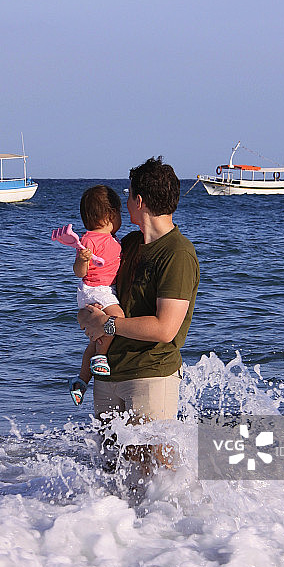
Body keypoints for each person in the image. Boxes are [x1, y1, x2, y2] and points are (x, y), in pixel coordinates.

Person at [78, 157, 200, 465]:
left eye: (128, 195)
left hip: (150, 376)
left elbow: (164, 329)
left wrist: (106, 325)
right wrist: (86, 317)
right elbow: (94, 292)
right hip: (109, 375)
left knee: (154, 476)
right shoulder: (127, 244)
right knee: (110, 475)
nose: (125, 202)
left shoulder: (178, 254)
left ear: (140, 200)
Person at [69, 185, 126, 405]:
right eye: (119, 214)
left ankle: (81, 381)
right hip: (95, 290)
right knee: (117, 319)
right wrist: (82, 260)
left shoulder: (113, 239)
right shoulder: (89, 241)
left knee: (94, 340)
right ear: (110, 215)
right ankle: (101, 357)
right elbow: (79, 273)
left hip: (100, 291)